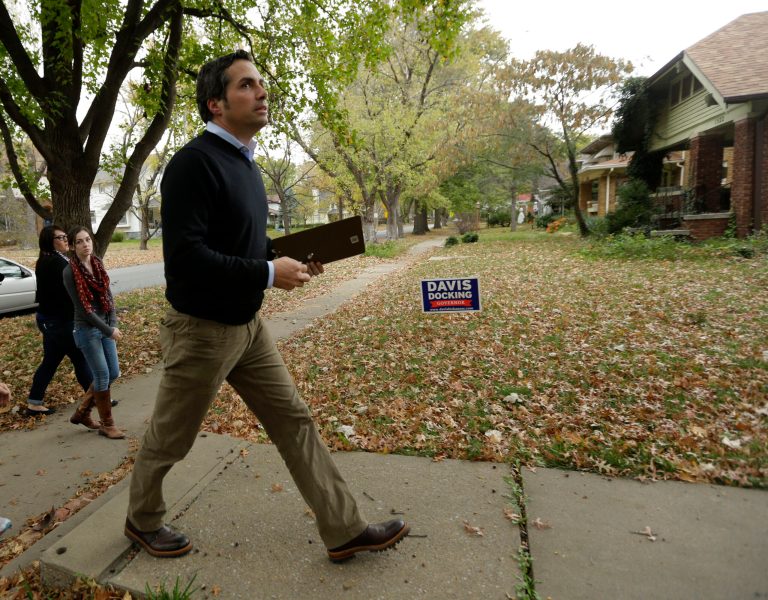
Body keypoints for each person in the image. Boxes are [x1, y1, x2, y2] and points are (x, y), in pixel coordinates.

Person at [124, 50, 409, 562]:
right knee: (171, 439)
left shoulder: (247, 166)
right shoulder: (192, 165)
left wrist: (286, 257)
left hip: (248, 326)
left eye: (261, 83)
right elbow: (186, 259)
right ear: (215, 103)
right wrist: (266, 272)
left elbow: (245, 241)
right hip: (201, 331)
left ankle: (344, 528)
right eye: (246, 85)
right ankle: (141, 521)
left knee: (294, 420)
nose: (261, 92)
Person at [24, 226, 95, 419]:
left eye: (65, 237)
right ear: (50, 240)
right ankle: (95, 397)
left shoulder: (51, 259)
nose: (65, 240)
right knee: (79, 356)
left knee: (52, 361)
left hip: (52, 321)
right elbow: (68, 293)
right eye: (60, 237)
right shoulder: (54, 262)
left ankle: (34, 402)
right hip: (57, 322)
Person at [62, 226, 124, 440]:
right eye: (79, 241)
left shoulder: (97, 263)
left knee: (113, 372)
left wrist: (112, 323)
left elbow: (108, 295)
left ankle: (82, 412)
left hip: (105, 326)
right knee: (102, 375)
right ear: (72, 246)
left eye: (87, 239)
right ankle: (107, 424)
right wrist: (109, 330)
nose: (85, 244)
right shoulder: (70, 271)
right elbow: (84, 310)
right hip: (87, 330)